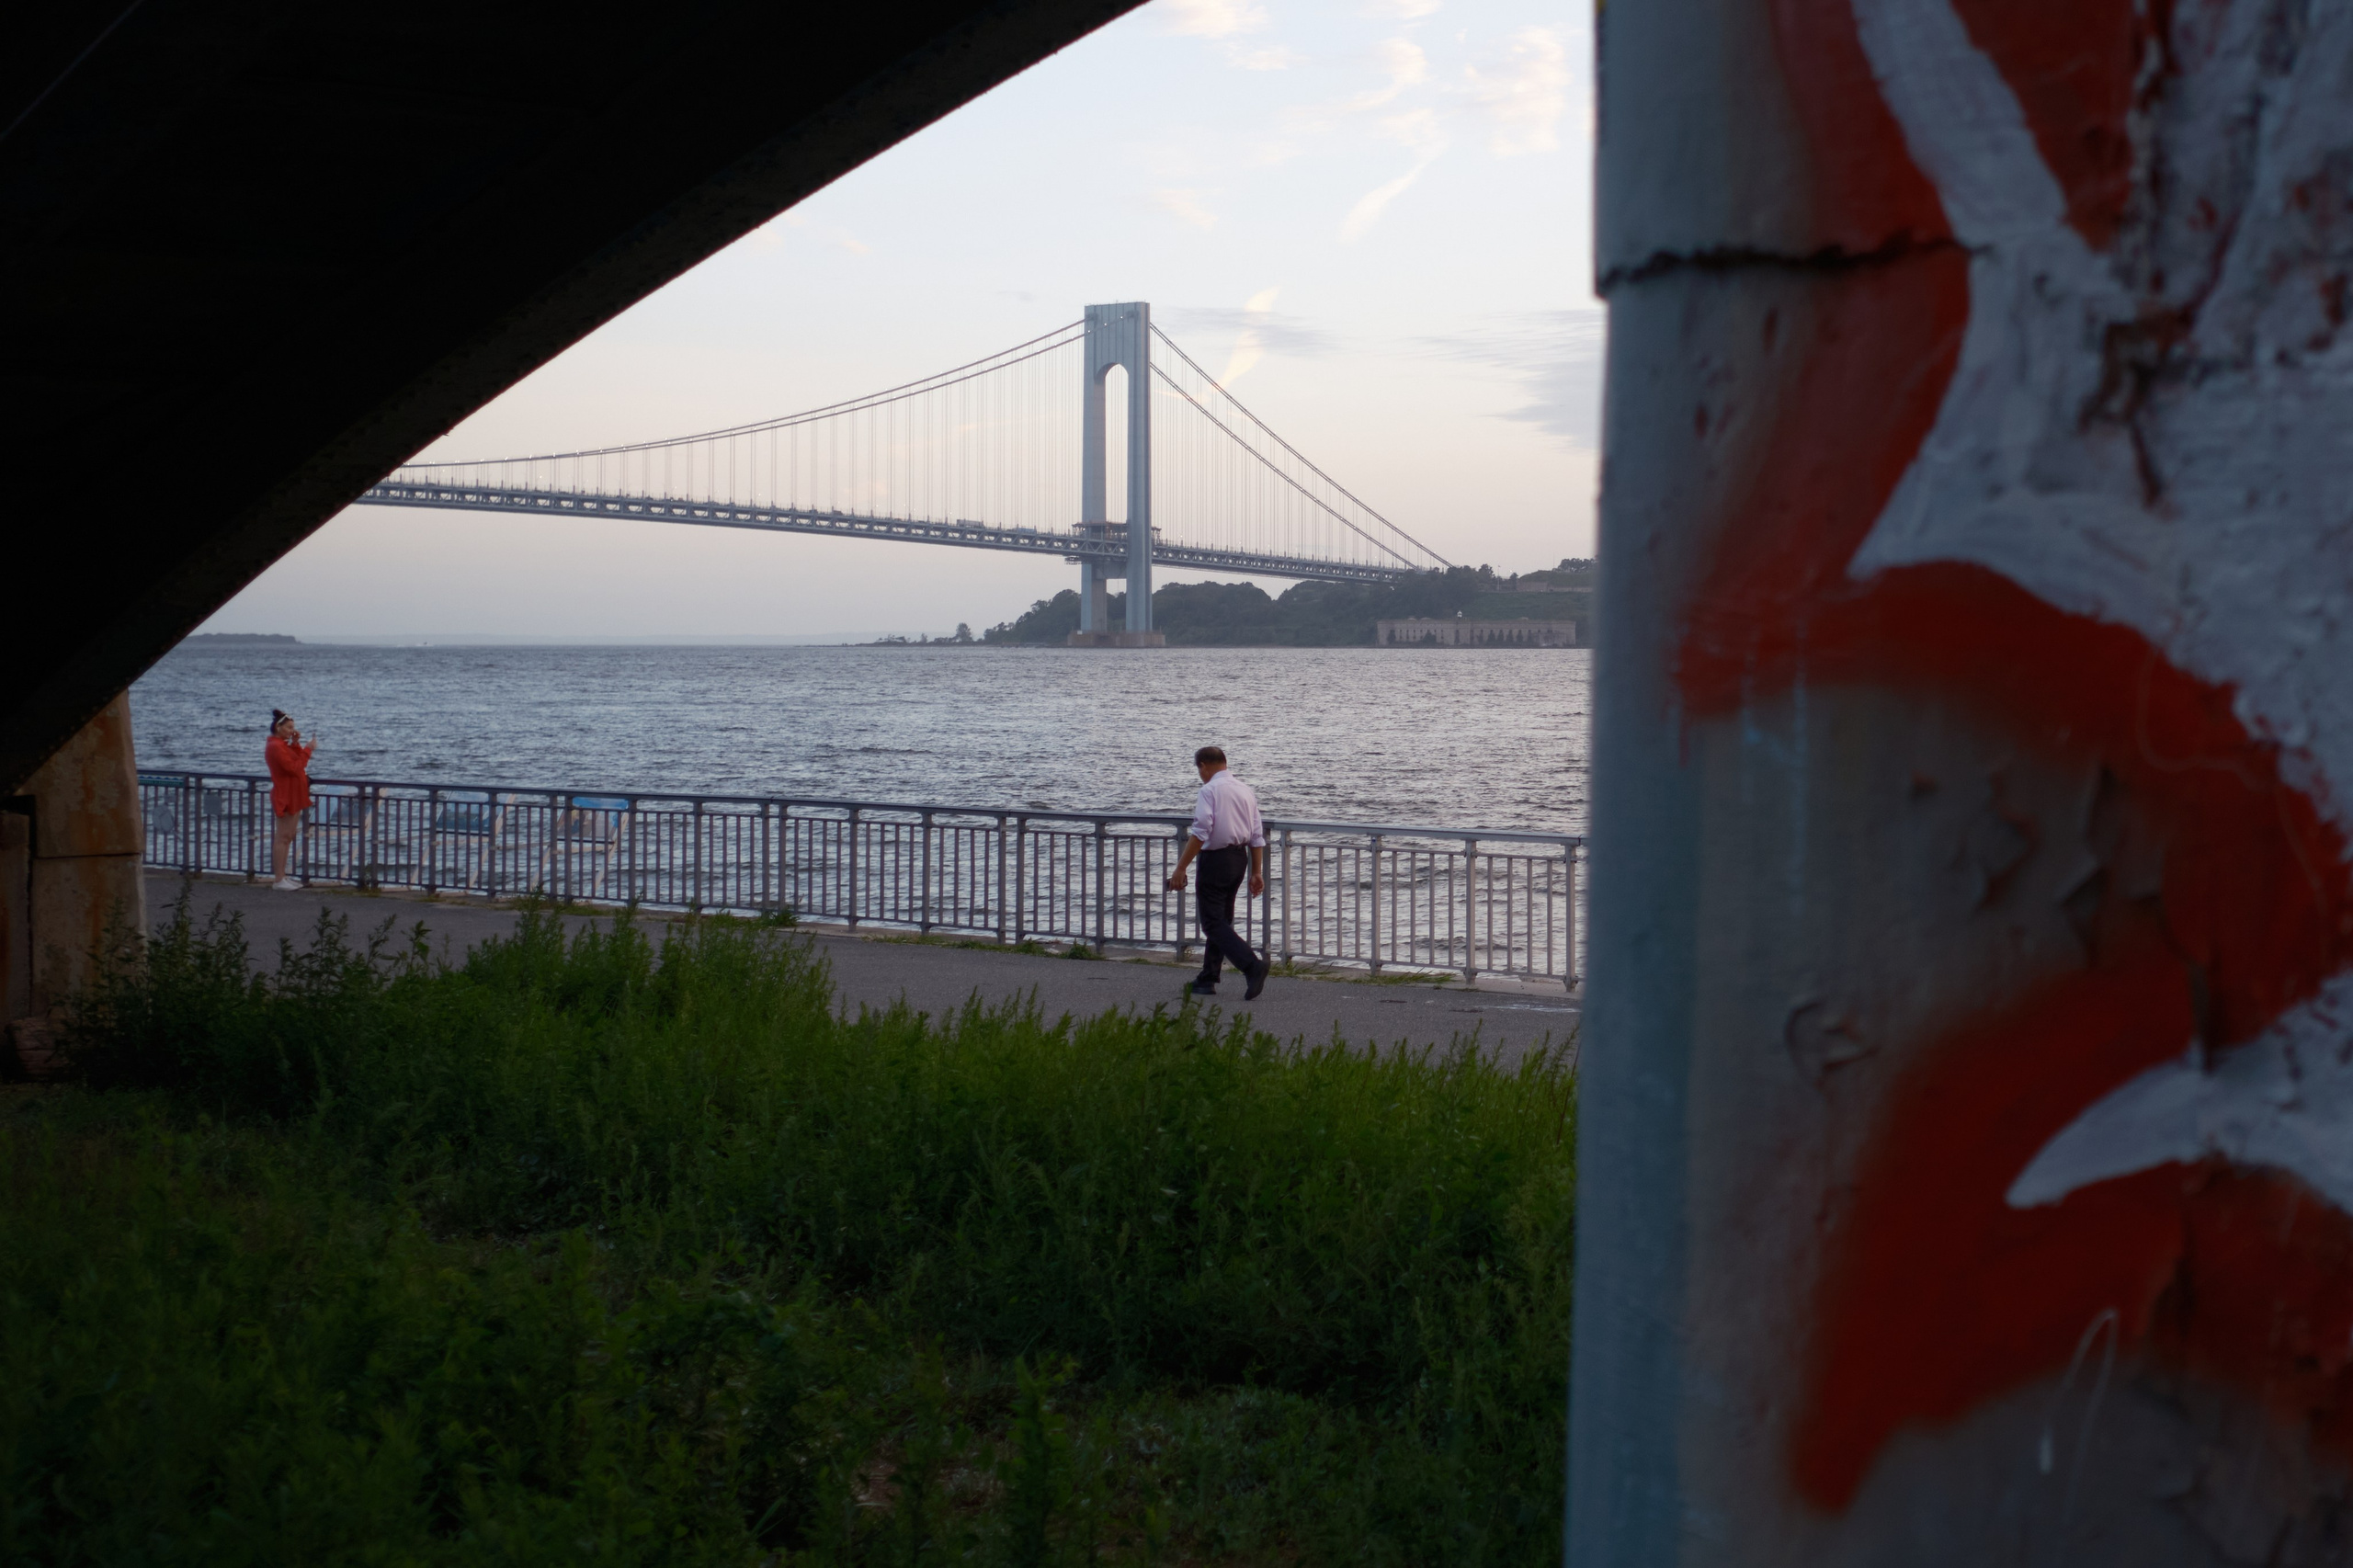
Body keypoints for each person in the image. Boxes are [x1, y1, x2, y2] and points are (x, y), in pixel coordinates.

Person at [1165, 745, 1270, 1000]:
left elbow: (1201, 831)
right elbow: (1257, 836)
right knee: (1221, 920)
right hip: (1239, 858)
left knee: (1212, 922)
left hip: (1215, 860)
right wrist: (1257, 872)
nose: (1200, 774)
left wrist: (1180, 868)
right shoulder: (1245, 790)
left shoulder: (1209, 790)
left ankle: (1251, 965)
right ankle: (1208, 977)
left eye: (1198, 770)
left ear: (1202, 766)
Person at [264, 709, 314, 890]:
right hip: (285, 795)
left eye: (293, 727)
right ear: (279, 728)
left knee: (289, 836)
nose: (292, 730)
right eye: (289, 728)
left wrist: (296, 743)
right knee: (282, 837)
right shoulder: (275, 747)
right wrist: (308, 749)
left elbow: (295, 759)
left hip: (294, 794)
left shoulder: (282, 745)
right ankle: (278, 879)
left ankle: (283, 876)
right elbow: (294, 767)